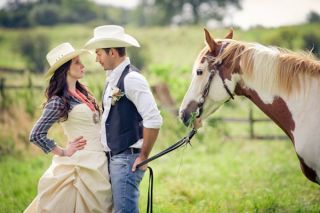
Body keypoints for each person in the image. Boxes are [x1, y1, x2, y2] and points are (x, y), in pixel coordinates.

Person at [24, 42, 113, 213]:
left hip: (99, 161)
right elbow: (36, 135)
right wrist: (63, 152)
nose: (82, 65)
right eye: (77, 62)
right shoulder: (59, 100)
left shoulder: (84, 94)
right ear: (65, 69)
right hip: (80, 164)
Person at [84, 25, 163, 213]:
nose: (96, 59)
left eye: (99, 53)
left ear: (112, 52)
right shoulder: (112, 78)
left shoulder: (131, 79)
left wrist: (143, 156)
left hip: (127, 159)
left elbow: (154, 119)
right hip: (114, 158)